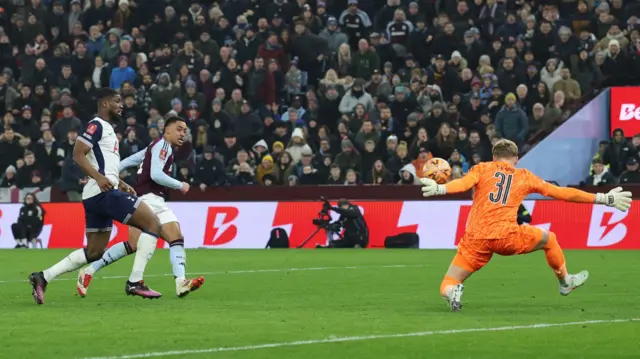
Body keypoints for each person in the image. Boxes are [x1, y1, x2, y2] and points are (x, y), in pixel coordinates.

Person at [420, 139, 632, 312]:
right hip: (506, 236)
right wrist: (603, 198)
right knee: (549, 239)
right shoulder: (524, 176)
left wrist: (441, 189)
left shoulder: (482, 168)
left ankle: (452, 291)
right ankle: (565, 281)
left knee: (447, 281)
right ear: (516, 159)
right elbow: (563, 193)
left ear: (494, 157)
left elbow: (464, 183)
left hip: (476, 239)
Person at [28, 88, 166, 305]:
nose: (121, 105)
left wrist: (119, 182)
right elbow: (77, 154)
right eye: (117, 101)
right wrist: (101, 179)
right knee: (153, 223)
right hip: (103, 194)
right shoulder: (97, 125)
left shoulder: (109, 129)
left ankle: (43, 277)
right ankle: (135, 282)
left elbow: (98, 162)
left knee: (94, 252)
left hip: (97, 194)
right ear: (104, 104)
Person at [77, 116, 204, 298]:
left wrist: (102, 175)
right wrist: (179, 184)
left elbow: (128, 161)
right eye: (179, 129)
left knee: (173, 238)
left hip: (155, 200)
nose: (183, 133)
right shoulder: (163, 146)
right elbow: (156, 174)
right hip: (147, 200)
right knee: (138, 244)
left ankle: (180, 283)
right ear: (167, 130)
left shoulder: (154, 146)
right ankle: (93, 272)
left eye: (184, 130)